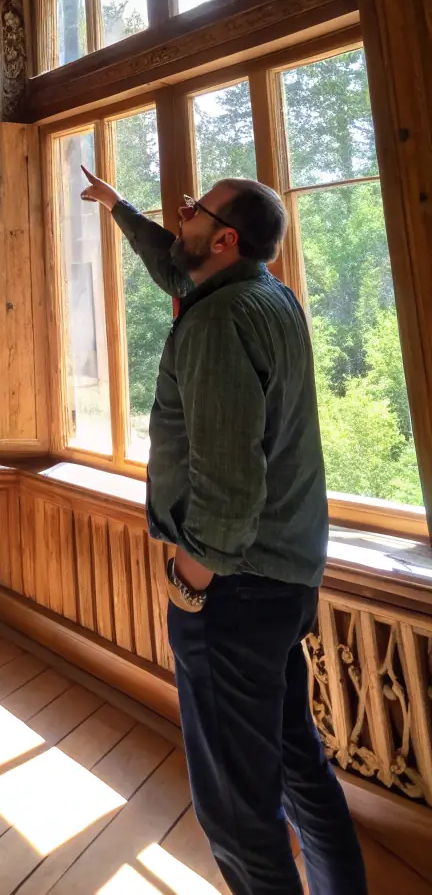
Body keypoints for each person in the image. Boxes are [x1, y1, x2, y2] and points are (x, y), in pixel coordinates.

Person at [80, 170, 367, 895]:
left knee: (236, 813)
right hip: (287, 575)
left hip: (232, 592)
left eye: (196, 209)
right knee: (298, 760)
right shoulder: (271, 298)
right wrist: (119, 209)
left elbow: (229, 489)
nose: (182, 213)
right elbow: (176, 264)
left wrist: (187, 583)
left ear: (226, 236)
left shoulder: (215, 322)